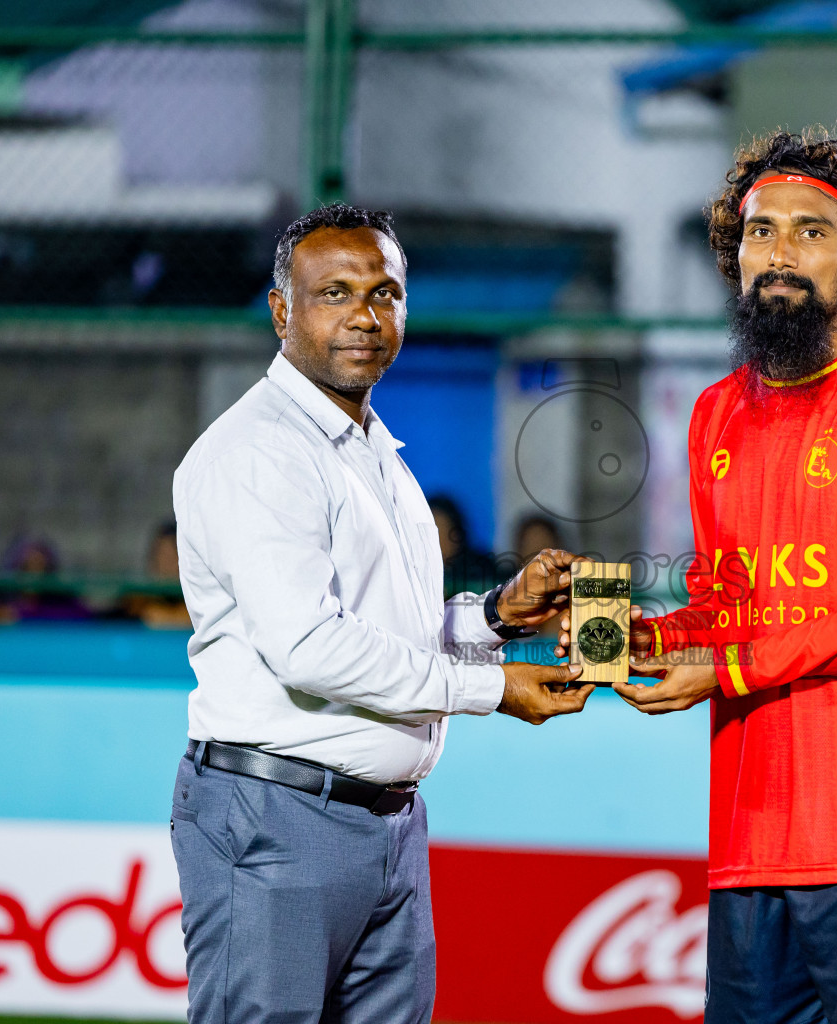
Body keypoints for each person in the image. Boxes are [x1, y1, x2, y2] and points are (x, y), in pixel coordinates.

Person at [563, 130, 837, 1024]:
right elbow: (726, 603)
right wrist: (634, 639)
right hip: (750, 850)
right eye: (760, 231)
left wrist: (729, 670)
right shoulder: (716, 415)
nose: (779, 252)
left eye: (811, 232)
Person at [170, 202, 593, 1024]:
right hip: (279, 819)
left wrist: (498, 619)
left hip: (387, 825)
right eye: (335, 293)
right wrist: (494, 689)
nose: (366, 316)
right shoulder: (259, 451)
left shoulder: (373, 450)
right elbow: (310, 647)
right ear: (281, 309)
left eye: (385, 293)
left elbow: (394, 634)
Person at [428, 494, 499, 597]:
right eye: (430, 531)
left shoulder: (481, 570)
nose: (436, 538)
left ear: (456, 535)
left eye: (441, 530)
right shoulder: (412, 571)